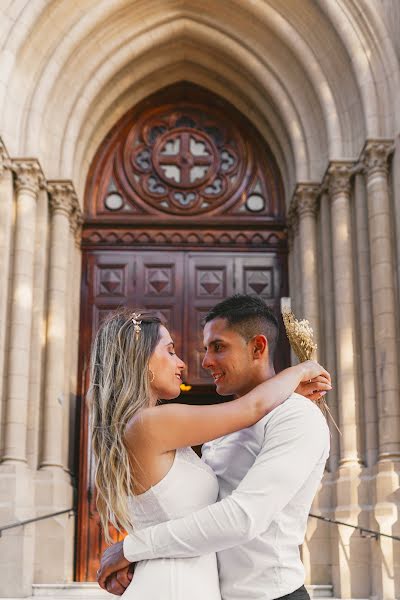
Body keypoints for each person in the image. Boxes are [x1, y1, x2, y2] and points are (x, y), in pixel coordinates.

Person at [93, 298, 331, 600]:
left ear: (258, 348)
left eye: (217, 347)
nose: (200, 362)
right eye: (171, 351)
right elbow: (252, 407)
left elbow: (242, 517)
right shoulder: (174, 426)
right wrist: (298, 371)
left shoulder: (296, 416)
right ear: (138, 360)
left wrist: (133, 550)